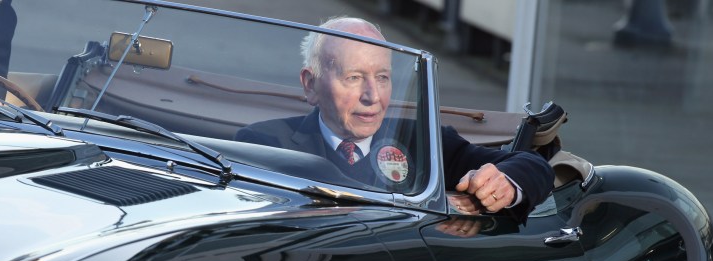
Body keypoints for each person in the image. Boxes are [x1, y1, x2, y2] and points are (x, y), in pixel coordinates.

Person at [235, 17, 555, 222]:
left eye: (383, 77)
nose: (372, 96)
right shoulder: (263, 144)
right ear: (311, 84)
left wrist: (503, 183)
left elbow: (533, 165)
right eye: (354, 77)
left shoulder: (423, 142)